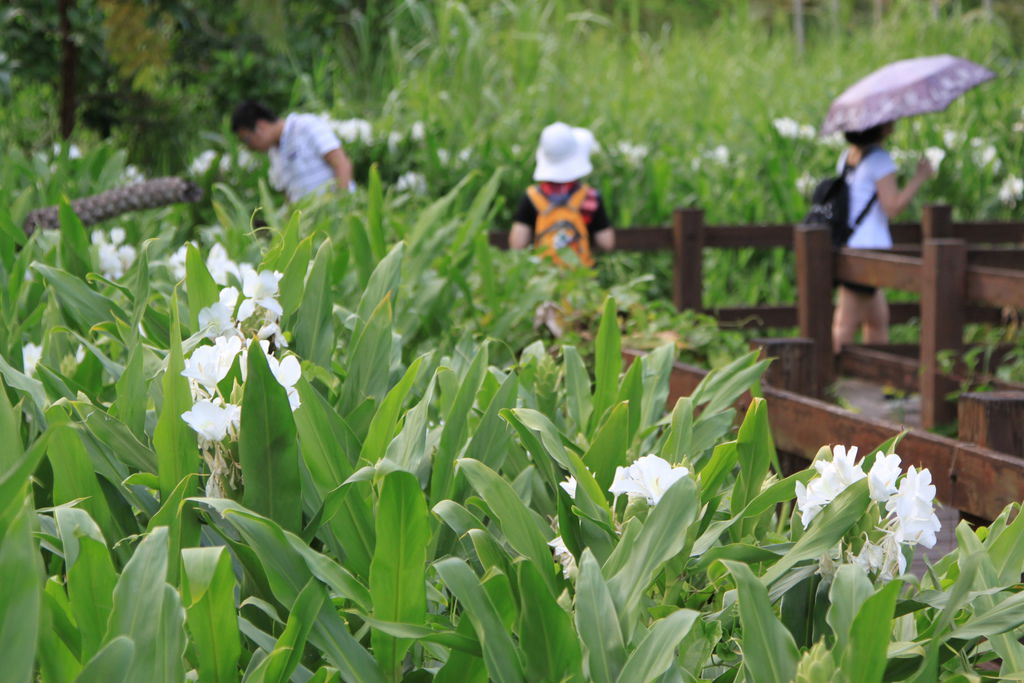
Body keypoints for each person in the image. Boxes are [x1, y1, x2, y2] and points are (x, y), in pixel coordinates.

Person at [832, 121, 933, 354]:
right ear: (879, 127)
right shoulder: (879, 160)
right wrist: (919, 177)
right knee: (845, 323)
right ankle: (828, 380)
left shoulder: (847, 157)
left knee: (877, 320)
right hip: (869, 249)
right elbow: (892, 207)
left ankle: (877, 378)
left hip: (851, 244)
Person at [509, 122, 614, 266]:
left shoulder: (532, 197)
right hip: (580, 277)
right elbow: (606, 242)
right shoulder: (590, 197)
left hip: (544, 277)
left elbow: (517, 244)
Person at [231, 101, 354, 203]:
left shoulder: (305, 125)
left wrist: (341, 203)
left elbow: (341, 163)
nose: (249, 147)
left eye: (247, 139)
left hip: (335, 212)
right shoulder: (274, 153)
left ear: (261, 126)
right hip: (313, 222)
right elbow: (289, 196)